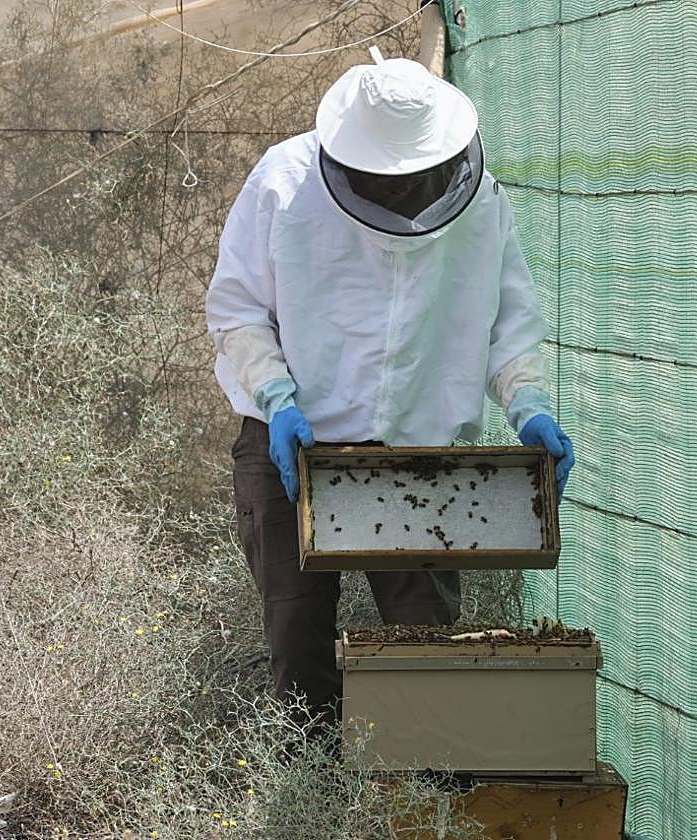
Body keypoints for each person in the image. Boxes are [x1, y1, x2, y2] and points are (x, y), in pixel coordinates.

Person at [205, 53, 575, 729]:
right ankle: (311, 808)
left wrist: (528, 403)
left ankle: (413, 810)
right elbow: (237, 308)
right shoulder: (283, 182)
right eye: (385, 181)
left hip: (415, 458)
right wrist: (277, 397)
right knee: (298, 655)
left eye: (412, 179)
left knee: (427, 655)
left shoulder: (481, 203)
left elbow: (508, 324)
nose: (400, 193)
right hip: (291, 449)